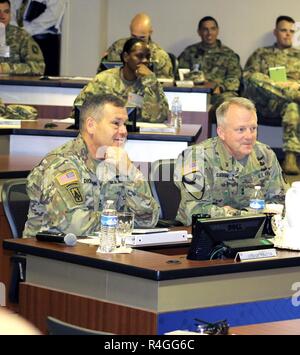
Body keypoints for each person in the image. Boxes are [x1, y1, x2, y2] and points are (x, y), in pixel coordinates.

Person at [24, 94, 160, 237]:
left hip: (102, 250)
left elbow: (148, 220)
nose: (124, 131)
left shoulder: (117, 162)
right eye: (116, 123)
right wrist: (125, 221)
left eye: (125, 124)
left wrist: (131, 173)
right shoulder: (61, 164)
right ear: (91, 125)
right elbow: (75, 225)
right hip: (51, 254)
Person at [174, 97, 288, 226]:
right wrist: (249, 216)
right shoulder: (195, 157)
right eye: (241, 129)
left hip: (256, 233)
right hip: (206, 235)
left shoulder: (265, 155)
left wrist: (233, 213)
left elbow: (281, 203)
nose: (249, 136)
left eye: (253, 128)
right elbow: (194, 211)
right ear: (221, 132)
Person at [243, 15, 300, 175]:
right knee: (254, 77)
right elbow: (248, 78)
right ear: (275, 32)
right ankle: (292, 93)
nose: (288, 34)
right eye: (283, 30)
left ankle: (290, 157)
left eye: (291, 31)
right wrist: (285, 88)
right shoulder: (261, 53)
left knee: (293, 106)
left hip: (288, 105)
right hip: (264, 102)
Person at [73, 38, 169, 123]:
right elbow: (79, 108)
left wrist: (151, 81)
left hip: (136, 136)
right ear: (126, 57)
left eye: (147, 57)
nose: (145, 61)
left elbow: (161, 116)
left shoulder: (150, 83)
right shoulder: (104, 79)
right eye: (139, 56)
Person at [178, 16, 242, 108]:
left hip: (219, 93)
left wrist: (220, 88)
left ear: (217, 31)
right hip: (195, 92)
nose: (209, 33)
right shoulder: (189, 52)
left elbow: (235, 78)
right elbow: (180, 74)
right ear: (199, 32)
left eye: (213, 29)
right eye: (205, 29)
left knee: (228, 103)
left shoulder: (228, 54)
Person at [97, 12, 173, 79]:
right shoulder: (118, 48)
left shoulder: (160, 57)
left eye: (142, 37)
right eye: (134, 36)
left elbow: (166, 87)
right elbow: (101, 75)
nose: (138, 41)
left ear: (150, 32)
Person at [10, 0, 66, 75]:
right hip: (20, 40)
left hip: (44, 42)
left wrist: (27, 30)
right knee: (21, 75)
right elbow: (10, 10)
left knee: (45, 79)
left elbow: (54, 13)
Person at [0, 0, 45, 75]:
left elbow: (39, 68)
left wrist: (5, 68)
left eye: (6, 12)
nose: (2, 16)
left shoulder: (22, 37)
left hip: (12, 85)